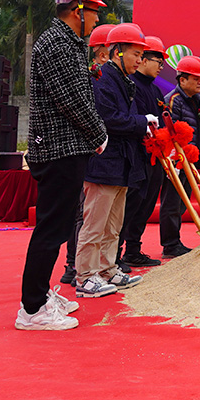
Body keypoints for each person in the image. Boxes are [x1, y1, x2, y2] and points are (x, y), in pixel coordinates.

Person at [16, 0, 109, 330]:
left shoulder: (67, 42)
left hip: (65, 147)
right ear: (78, 10)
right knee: (52, 229)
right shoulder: (57, 43)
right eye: (95, 11)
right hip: (58, 149)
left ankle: (40, 295)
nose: (97, 19)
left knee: (57, 226)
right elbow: (71, 99)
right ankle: (32, 308)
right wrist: (98, 133)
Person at [76, 23, 152, 298]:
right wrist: (142, 122)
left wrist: (142, 125)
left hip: (121, 163)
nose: (139, 60)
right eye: (135, 54)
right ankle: (85, 276)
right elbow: (108, 119)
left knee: (113, 224)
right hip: (103, 163)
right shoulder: (102, 79)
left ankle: (107, 268)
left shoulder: (123, 80)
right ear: (117, 51)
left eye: (141, 55)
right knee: (95, 224)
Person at [59, 22, 116, 283]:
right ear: (103, 53)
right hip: (86, 153)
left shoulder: (104, 78)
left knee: (91, 215)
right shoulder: (90, 79)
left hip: (95, 154)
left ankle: (96, 265)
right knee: (83, 214)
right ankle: (74, 266)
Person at [117, 35, 167, 269]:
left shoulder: (156, 90)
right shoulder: (131, 85)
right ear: (144, 60)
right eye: (158, 61)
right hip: (137, 155)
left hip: (155, 157)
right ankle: (115, 254)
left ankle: (133, 250)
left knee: (145, 205)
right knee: (130, 205)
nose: (161, 67)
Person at [161, 55, 200, 257]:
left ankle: (175, 240)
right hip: (177, 160)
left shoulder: (194, 101)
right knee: (172, 202)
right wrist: (175, 160)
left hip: (189, 159)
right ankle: (170, 244)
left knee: (182, 202)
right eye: (195, 78)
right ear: (182, 80)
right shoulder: (174, 101)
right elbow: (170, 132)